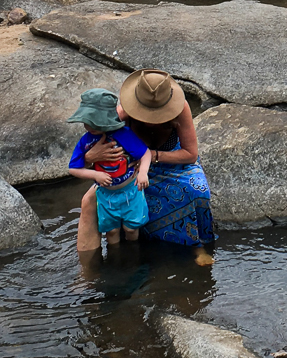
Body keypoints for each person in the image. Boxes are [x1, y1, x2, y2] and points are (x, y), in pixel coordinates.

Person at [75, 69, 216, 265]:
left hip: (172, 163)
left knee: (197, 190)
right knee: (88, 201)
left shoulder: (181, 108)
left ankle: (198, 246)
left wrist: (153, 156)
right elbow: (85, 159)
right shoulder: (120, 114)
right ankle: (87, 270)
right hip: (131, 171)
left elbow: (190, 154)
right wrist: (91, 156)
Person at [67, 88, 152, 245]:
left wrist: (143, 173)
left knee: (132, 229)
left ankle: (132, 256)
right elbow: (73, 168)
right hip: (105, 194)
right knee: (111, 232)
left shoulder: (123, 134)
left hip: (130, 190)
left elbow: (145, 154)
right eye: (86, 122)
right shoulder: (86, 141)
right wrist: (94, 175)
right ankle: (115, 260)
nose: (89, 126)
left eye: (94, 122)